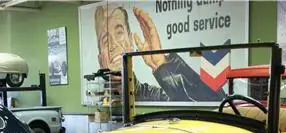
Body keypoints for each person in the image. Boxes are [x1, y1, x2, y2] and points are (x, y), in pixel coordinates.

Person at [93, 4, 224, 102]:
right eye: (105, 40)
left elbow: (215, 103)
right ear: (100, 58)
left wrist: (162, 65)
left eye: (119, 33)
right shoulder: (97, 103)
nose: (114, 44)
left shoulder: (155, 97)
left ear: (130, 44)